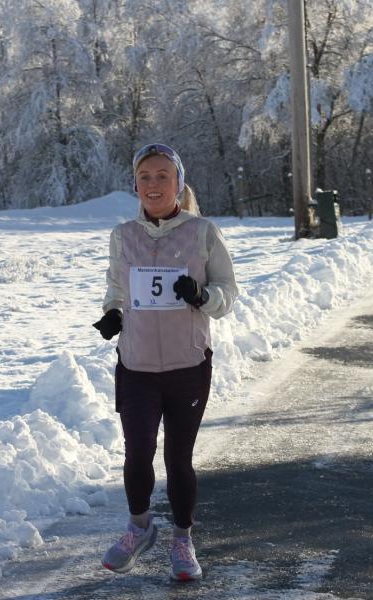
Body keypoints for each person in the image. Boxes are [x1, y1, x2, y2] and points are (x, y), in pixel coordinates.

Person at [92, 143, 238, 581]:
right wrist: (113, 313)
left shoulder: (202, 232)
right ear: (135, 185)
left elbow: (227, 292)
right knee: (137, 453)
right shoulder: (123, 235)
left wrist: (202, 295)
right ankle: (139, 528)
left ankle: (182, 539)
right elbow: (117, 288)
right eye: (145, 177)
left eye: (162, 176)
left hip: (186, 366)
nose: (153, 184)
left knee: (178, 458)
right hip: (136, 366)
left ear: (179, 183)